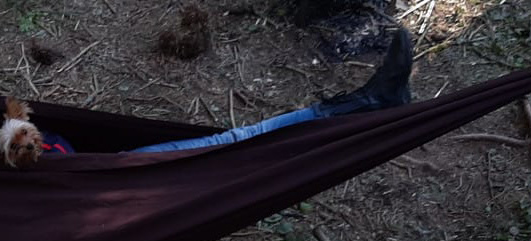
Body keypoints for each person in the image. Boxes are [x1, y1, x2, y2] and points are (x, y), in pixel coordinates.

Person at [39, 27, 413, 155]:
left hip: (105, 173)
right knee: (240, 147)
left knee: (240, 144)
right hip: (115, 182)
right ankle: (365, 107)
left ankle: (362, 107)